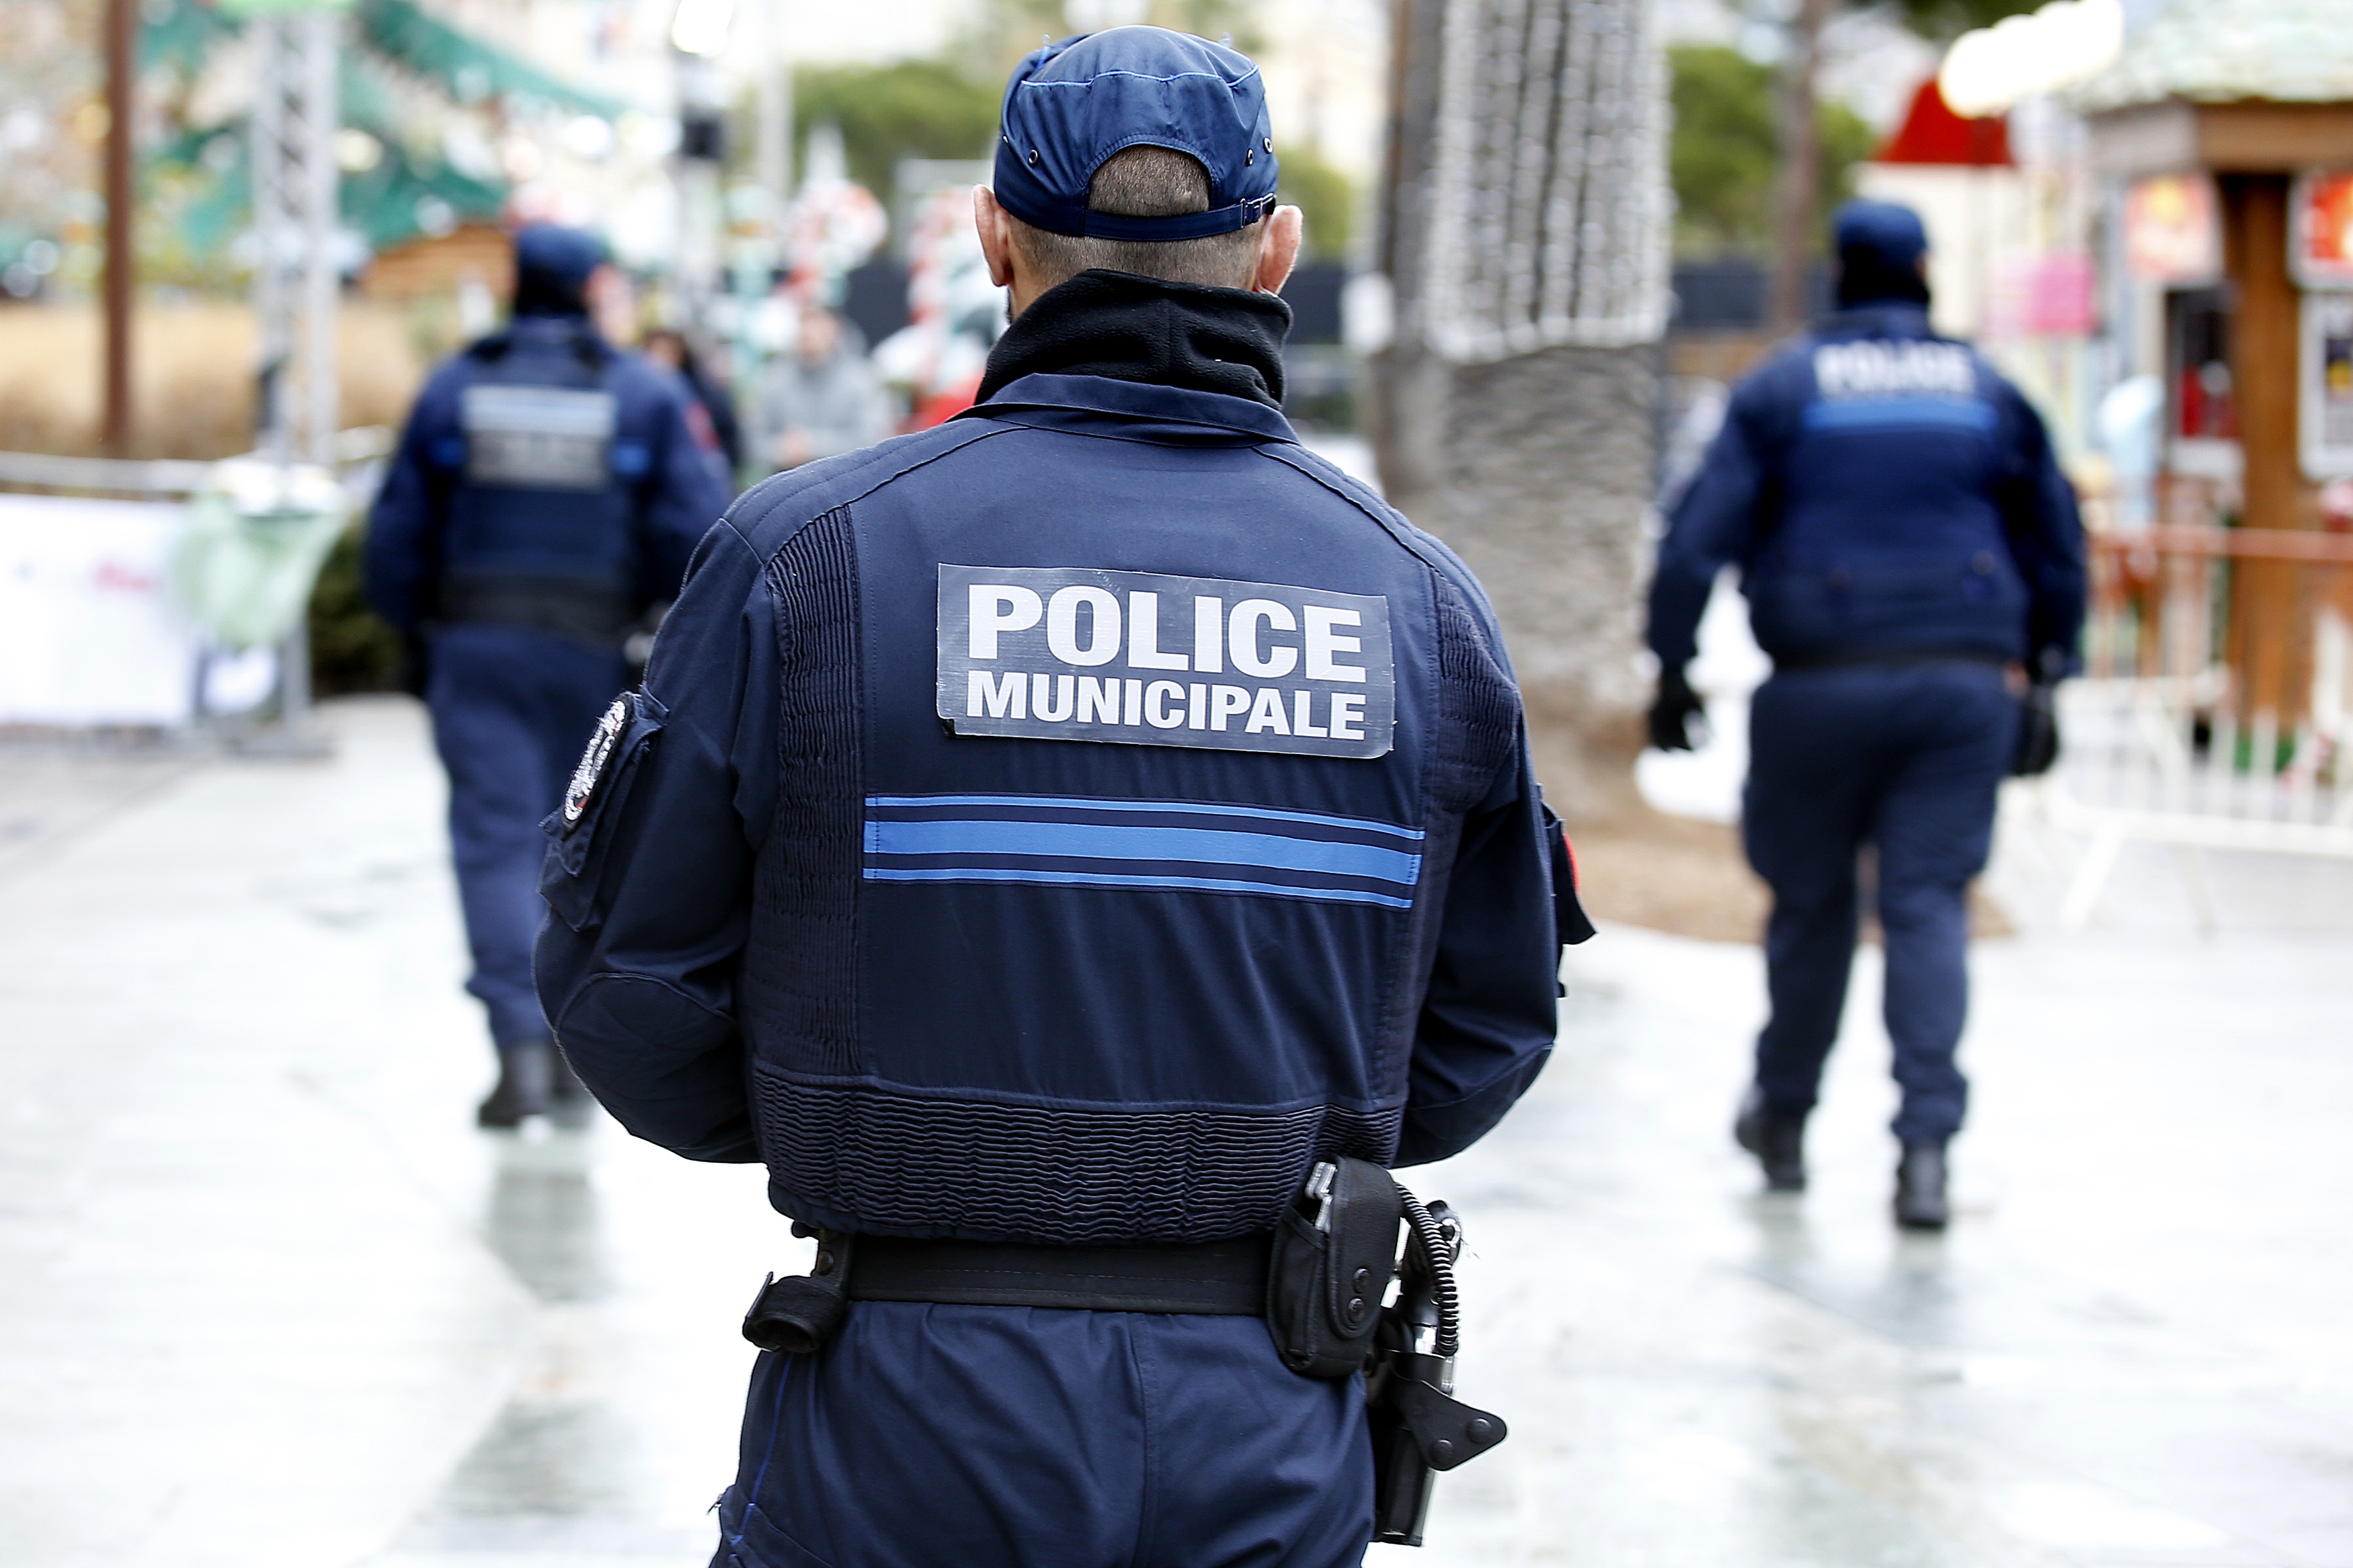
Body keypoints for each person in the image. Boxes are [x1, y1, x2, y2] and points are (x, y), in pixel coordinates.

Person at [536, 27, 1582, 1567]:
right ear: (1278, 248)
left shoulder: (808, 557)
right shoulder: (1417, 602)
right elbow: (1488, 1029)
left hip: (901, 1404)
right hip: (1268, 1421)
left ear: (990, 238)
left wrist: (870, 1128)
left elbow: (628, 985)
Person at [1646, 200, 2085, 1229]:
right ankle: (1925, 1153)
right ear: (1925, 271)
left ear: (1840, 273)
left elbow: (1691, 542)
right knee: (1929, 905)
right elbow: (2057, 543)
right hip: (1960, 689)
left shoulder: (1783, 388)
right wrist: (2053, 671)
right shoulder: (1988, 390)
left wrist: (1672, 668)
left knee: (1812, 910)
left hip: (1816, 688)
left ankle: (1785, 1119)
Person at [366, 223, 732, 1127]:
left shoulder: (457, 384)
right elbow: (695, 535)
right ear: (592, 289)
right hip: (588, 652)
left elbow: (396, 534)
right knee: (581, 849)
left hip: (476, 647)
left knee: (493, 841)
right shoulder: (641, 392)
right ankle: (569, 1049)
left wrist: (414, 637)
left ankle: (517, 1050)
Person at [751, 304, 891, 472]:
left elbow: (871, 438)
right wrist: (782, 449)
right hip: (787, 481)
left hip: (846, 481)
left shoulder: (862, 379)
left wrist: (812, 446)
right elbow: (754, 441)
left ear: (835, 332)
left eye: (819, 329)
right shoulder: (775, 379)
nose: (810, 336)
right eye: (805, 331)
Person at [643, 327, 747, 477]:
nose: (661, 361)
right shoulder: (638, 399)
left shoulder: (704, 396)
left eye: (668, 352)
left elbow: (728, 443)